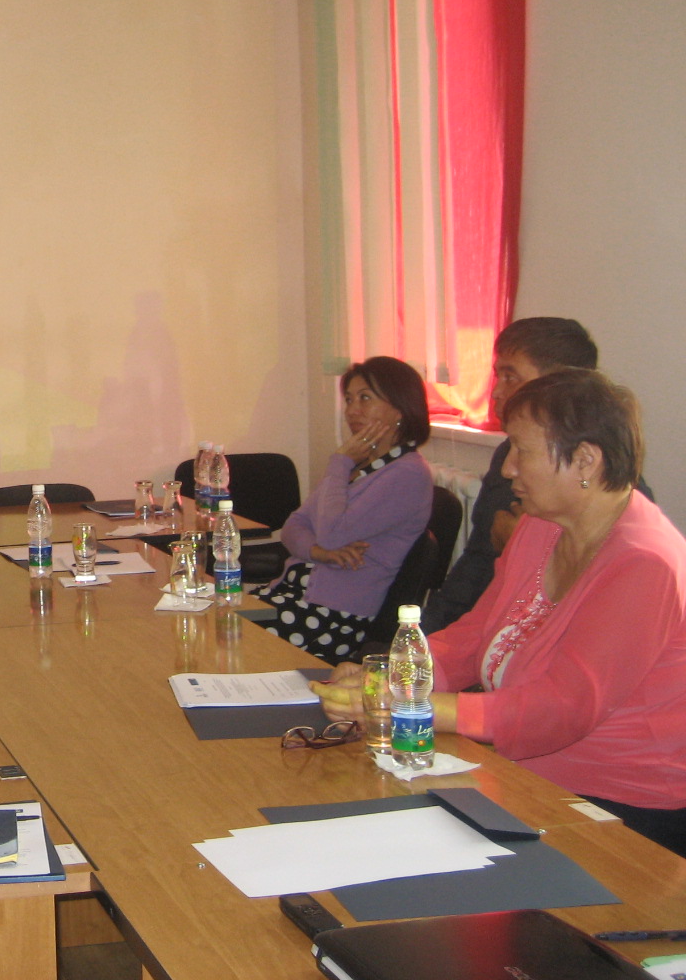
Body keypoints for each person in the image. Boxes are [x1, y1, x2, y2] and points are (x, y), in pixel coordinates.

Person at [315, 369, 686, 855]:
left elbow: (561, 709)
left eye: (521, 451)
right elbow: (474, 636)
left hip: (617, 809)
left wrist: (415, 709)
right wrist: (391, 676)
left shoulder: (644, 564)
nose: (508, 468)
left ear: (585, 460)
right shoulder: (541, 525)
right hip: (530, 775)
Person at [422, 318, 598, 632]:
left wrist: (521, 547)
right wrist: (423, 637)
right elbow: (476, 564)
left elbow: (586, 613)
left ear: (559, 386)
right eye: (497, 376)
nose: (496, 392)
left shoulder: (607, 486)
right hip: (485, 630)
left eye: (510, 377)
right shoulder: (509, 451)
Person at [262, 356, 433, 663]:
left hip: (332, 618)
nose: (352, 410)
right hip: (293, 595)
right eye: (350, 399)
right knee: (210, 618)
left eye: (365, 398)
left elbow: (332, 534)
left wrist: (339, 462)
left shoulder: (407, 474)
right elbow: (293, 527)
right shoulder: (362, 467)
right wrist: (320, 553)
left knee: (225, 634)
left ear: (400, 408)